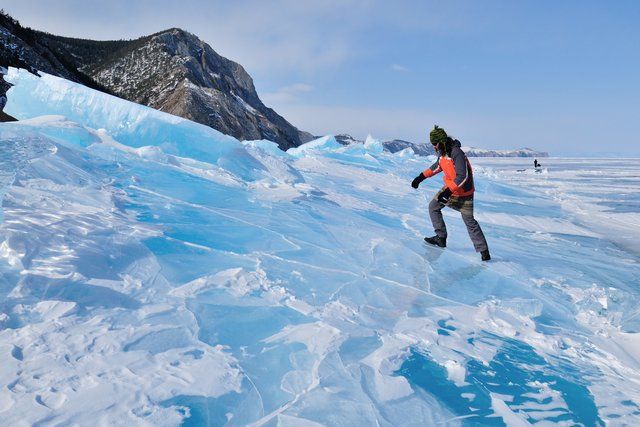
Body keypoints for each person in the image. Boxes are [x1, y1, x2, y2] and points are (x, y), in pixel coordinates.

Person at [411, 125, 491, 261]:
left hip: (464, 192)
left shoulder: (456, 153)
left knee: (469, 222)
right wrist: (421, 177)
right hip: (450, 189)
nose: (433, 147)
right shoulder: (442, 153)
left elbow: (462, 176)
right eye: (432, 144)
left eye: (435, 144)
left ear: (441, 142)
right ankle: (441, 237)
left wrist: (447, 192)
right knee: (433, 207)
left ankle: (484, 251)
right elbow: (437, 167)